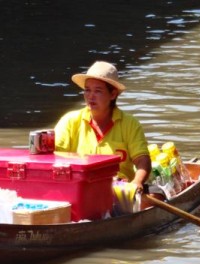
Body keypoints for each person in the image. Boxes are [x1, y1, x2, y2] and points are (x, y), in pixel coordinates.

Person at [54, 61, 151, 194]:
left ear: (113, 94)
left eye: (98, 91)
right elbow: (53, 158)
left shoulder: (130, 124)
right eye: (87, 90)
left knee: (154, 195)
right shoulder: (69, 121)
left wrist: (137, 182)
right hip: (78, 191)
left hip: (118, 193)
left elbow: (142, 160)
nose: (90, 96)